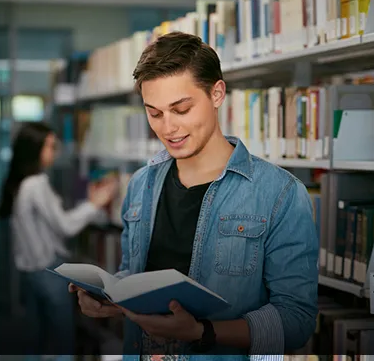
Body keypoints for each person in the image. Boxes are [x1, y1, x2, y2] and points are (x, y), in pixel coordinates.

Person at [70, 32, 319, 361]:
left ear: (217, 94)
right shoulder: (141, 184)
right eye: (155, 113)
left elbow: (297, 321)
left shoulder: (281, 194)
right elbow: (135, 276)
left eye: (181, 109)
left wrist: (203, 332)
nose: (168, 128)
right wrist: (111, 300)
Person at [0, 121, 117, 361]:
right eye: (50, 146)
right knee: (63, 337)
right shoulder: (36, 184)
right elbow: (66, 226)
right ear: (35, 149)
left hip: (30, 272)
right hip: (48, 271)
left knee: (38, 335)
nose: (55, 152)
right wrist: (95, 203)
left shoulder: (21, 182)